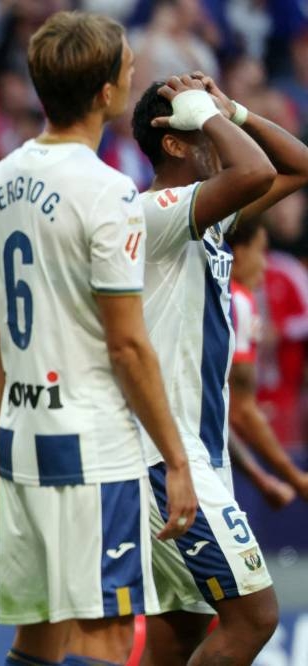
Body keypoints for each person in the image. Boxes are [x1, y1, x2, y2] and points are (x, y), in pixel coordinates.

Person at [0, 12, 196, 666]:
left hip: (22, 443)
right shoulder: (107, 191)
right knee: (105, 638)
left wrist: (2, 441)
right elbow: (127, 347)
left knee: (38, 638)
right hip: (91, 448)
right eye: (127, 63)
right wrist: (176, 461)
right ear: (105, 93)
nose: (133, 70)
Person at [129, 69, 308, 664]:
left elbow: (299, 165)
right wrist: (208, 114)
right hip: (167, 456)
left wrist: (234, 112)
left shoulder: (207, 216)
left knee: (178, 635)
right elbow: (255, 170)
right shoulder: (153, 212)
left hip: (198, 454)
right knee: (255, 618)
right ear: (175, 142)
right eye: (199, 128)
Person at [229, 218, 308, 506]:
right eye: (259, 252)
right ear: (237, 254)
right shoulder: (238, 301)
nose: (264, 266)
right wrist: (294, 476)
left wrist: (260, 477)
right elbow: (241, 411)